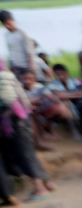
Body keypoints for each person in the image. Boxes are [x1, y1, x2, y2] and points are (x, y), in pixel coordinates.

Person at [0, 60, 56, 200]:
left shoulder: (2, 77)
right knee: (28, 151)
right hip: (22, 116)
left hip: (12, 120)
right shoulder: (8, 74)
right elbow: (22, 98)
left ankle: (39, 188)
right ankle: (47, 182)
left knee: (23, 154)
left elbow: (7, 100)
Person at [1, 11, 36, 77]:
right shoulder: (7, 35)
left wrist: (31, 67)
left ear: (13, 20)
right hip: (15, 67)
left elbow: (30, 52)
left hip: (25, 67)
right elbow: (11, 51)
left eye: (8, 23)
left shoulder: (22, 34)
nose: (7, 26)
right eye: (4, 24)